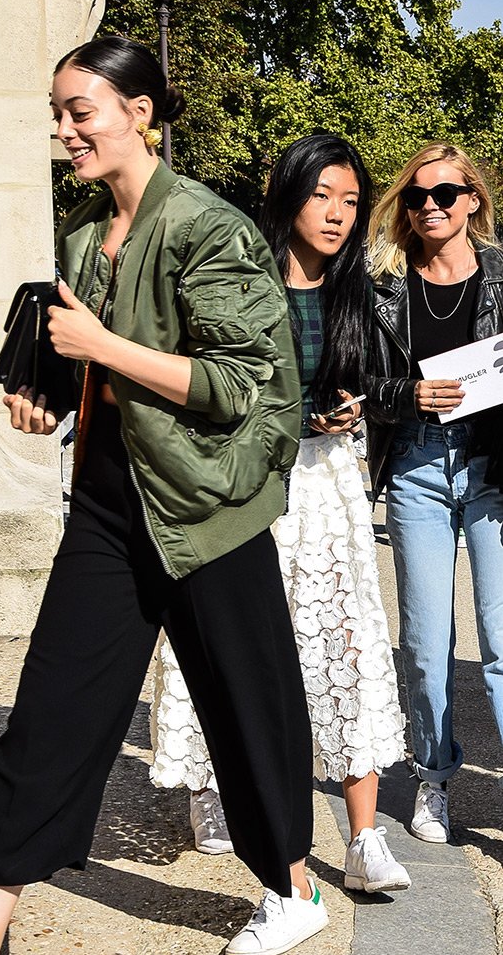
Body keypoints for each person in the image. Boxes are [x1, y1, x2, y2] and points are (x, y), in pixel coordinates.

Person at [0, 36, 326, 955]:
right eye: (58, 111)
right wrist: (58, 398)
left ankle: (292, 885)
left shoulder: (206, 226)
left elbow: (245, 385)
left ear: (139, 113)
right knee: (49, 716)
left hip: (207, 510)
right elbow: (96, 376)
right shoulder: (83, 238)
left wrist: (104, 348)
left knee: (246, 708)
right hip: (112, 511)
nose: (64, 128)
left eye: (81, 109)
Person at [150, 133, 411, 894]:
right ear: (289, 192)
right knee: (230, 642)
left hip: (327, 489)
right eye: (322, 194)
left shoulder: (357, 288)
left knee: (348, 642)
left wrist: (356, 406)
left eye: (351, 201)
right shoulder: (239, 274)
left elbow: (379, 380)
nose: (336, 214)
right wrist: (296, 418)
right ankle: (213, 792)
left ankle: (364, 836)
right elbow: (214, 384)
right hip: (245, 482)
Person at [367, 142, 503, 844]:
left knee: (502, 637)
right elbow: (357, 382)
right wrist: (408, 392)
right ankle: (435, 777)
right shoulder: (383, 284)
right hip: (418, 464)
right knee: (424, 639)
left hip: (493, 473)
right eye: (417, 197)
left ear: (472, 199)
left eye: (445, 194)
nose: (429, 207)